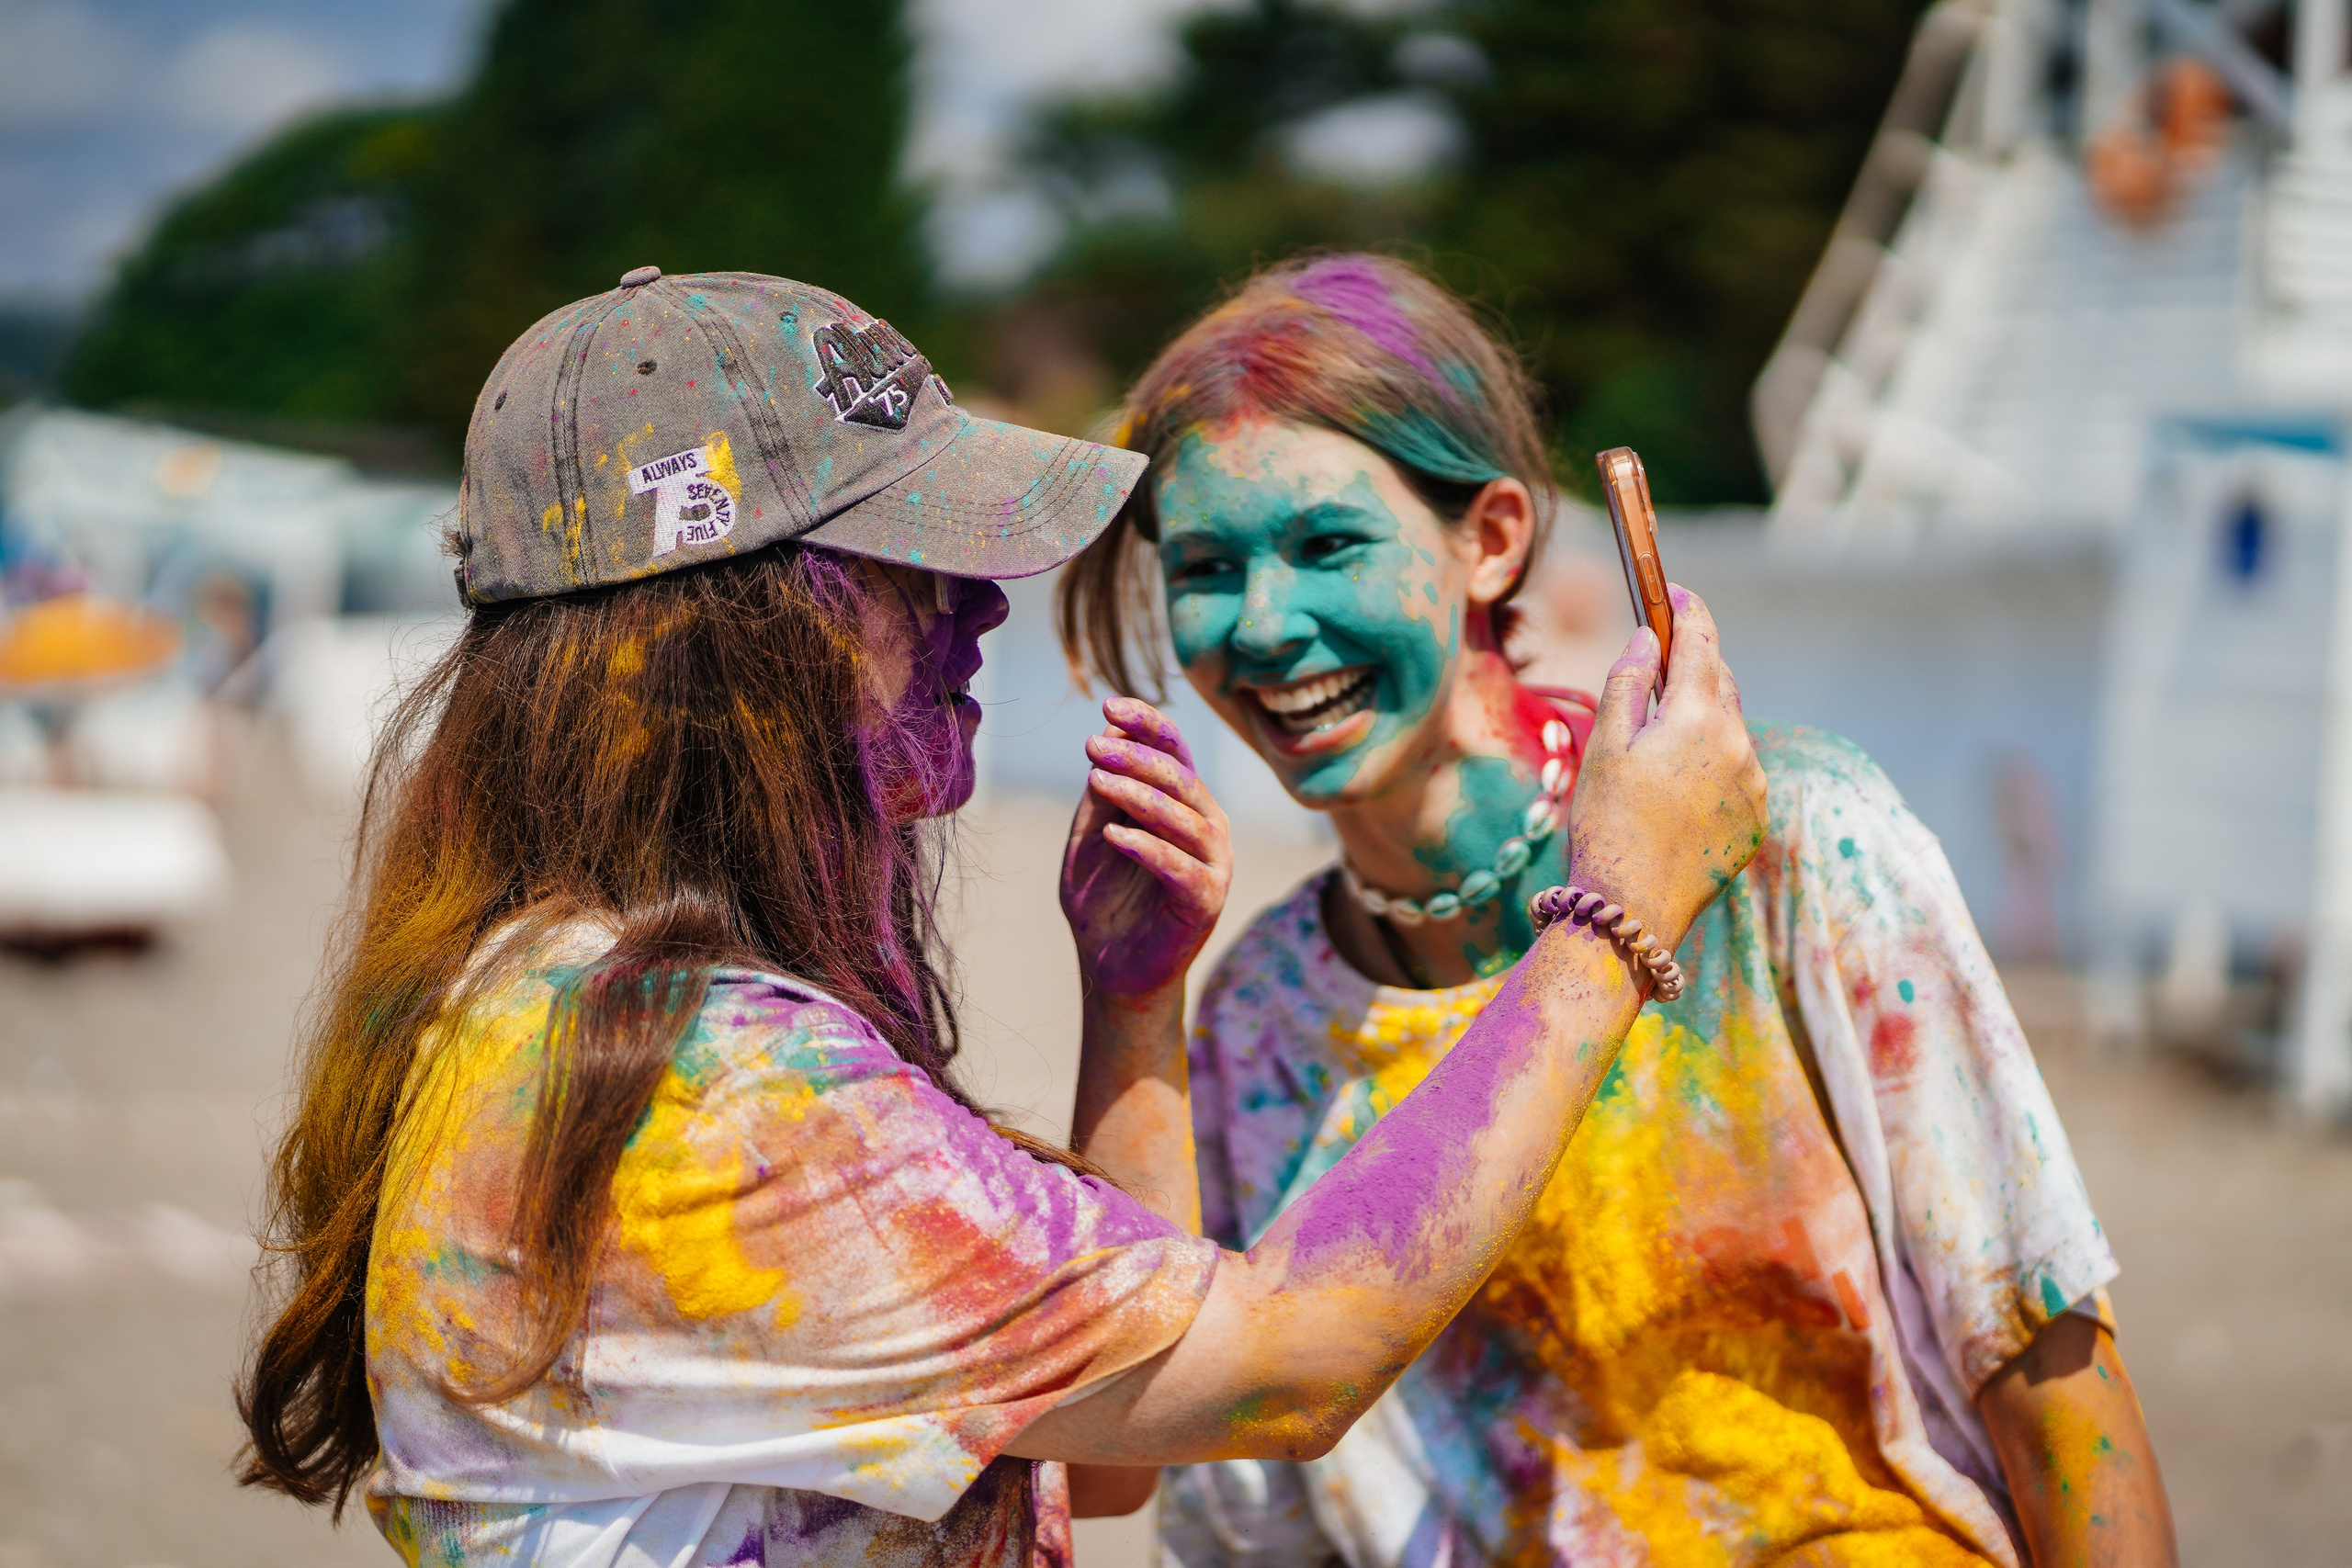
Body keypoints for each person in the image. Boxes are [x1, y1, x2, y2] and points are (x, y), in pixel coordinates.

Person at [233, 266, 1767, 1568]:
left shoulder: (546, 999)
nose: (980, 608)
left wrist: (1133, 1003)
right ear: (743, 628)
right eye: (915, 560)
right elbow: (1285, 1369)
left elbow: (1104, 1461)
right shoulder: (702, 1085)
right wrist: (1615, 912)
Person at [1057, 253, 2177, 1568]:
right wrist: (1128, 997)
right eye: (1204, 566)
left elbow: (2054, 1383)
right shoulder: (1253, 1017)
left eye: (1327, 545)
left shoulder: (1790, 847)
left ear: (1491, 539)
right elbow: (1228, 1507)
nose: (1261, 623)